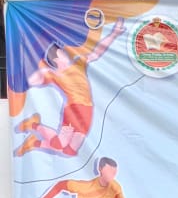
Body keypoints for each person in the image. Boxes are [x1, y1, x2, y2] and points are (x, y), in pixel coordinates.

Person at [14, 17, 125, 157]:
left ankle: (34, 142)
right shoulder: (54, 74)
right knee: (59, 144)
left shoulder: (79, 63)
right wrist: (41, 65)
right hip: (73, 108)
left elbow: (97, 52)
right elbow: (32, 80)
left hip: (88, 108)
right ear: (56, 59)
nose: (65, 53)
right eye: (62, 52)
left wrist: (114, 33)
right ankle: (33, 125)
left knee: (70, 151)